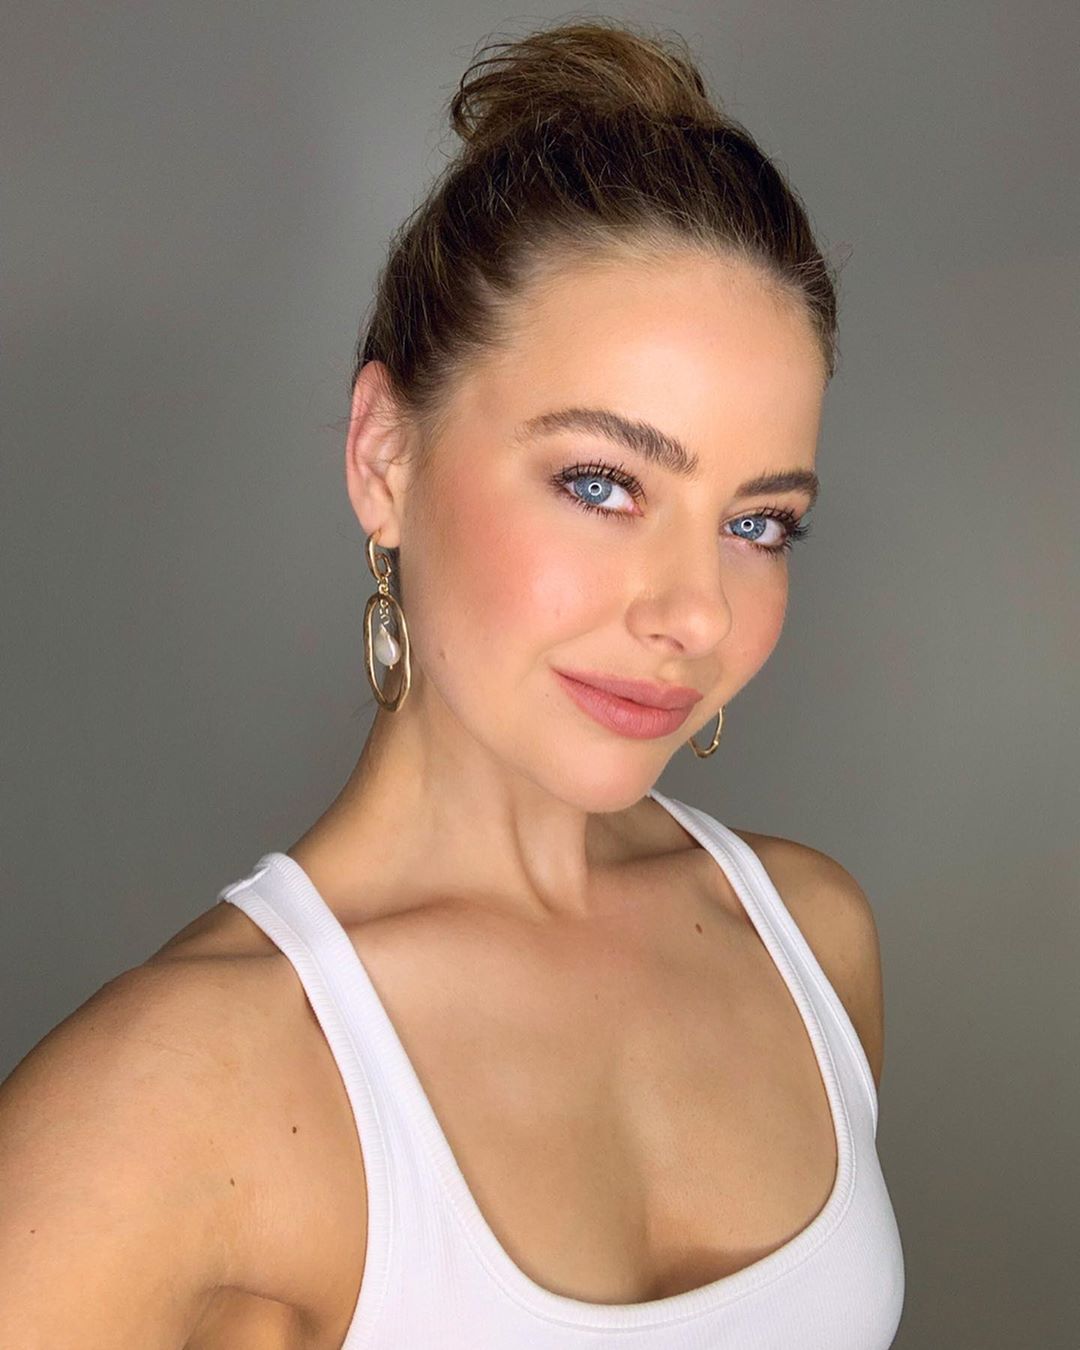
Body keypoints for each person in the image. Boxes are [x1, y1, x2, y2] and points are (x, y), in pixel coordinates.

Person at [0, 18, 905, 1349]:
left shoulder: (812, 942)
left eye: (758, 522)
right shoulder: (172, 1098)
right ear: (385, 458)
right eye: (602, 483)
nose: (697, 611)